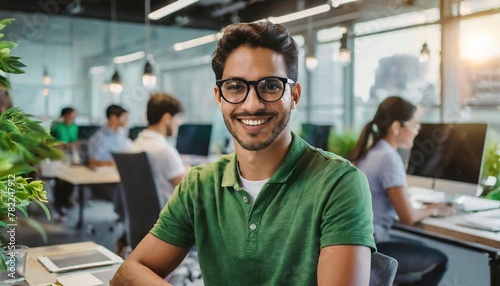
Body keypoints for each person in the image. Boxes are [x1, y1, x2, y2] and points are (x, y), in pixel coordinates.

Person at [111, 22, 375, 286]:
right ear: (219, 96)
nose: (252, 104)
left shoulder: (339, 183)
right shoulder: (199, 184)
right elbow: (129, 272)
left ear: (294, 95)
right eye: (236, 86)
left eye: (271, 86)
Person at [351, 96, 456, 286]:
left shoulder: (371, 152)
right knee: (440, 260)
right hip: (373, 246)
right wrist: (433, 209)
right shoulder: (388, 158)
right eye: (414, 125)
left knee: (422, 249)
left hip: (361, 243)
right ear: (396, 127)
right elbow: (407, 216)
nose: (417, 131)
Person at [129, 92, 186, 207]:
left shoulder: (134, 146)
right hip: (170, 220)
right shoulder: (164, 151)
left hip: (145, 219)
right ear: (167, 118)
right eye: (176, 117)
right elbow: (188, 192)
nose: (178, 122)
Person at [50, 107, 79, 216]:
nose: (74, 117)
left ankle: (65, 201)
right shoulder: (57, 126)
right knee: (59, 179)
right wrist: (61, 145)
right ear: (66, 115)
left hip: (69, 155)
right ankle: (58, 203)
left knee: (70, 179)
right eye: (72, 115)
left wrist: (73, 144)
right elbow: (49, 141)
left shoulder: (74, 126)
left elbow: (73, 140)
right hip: (57, 155)